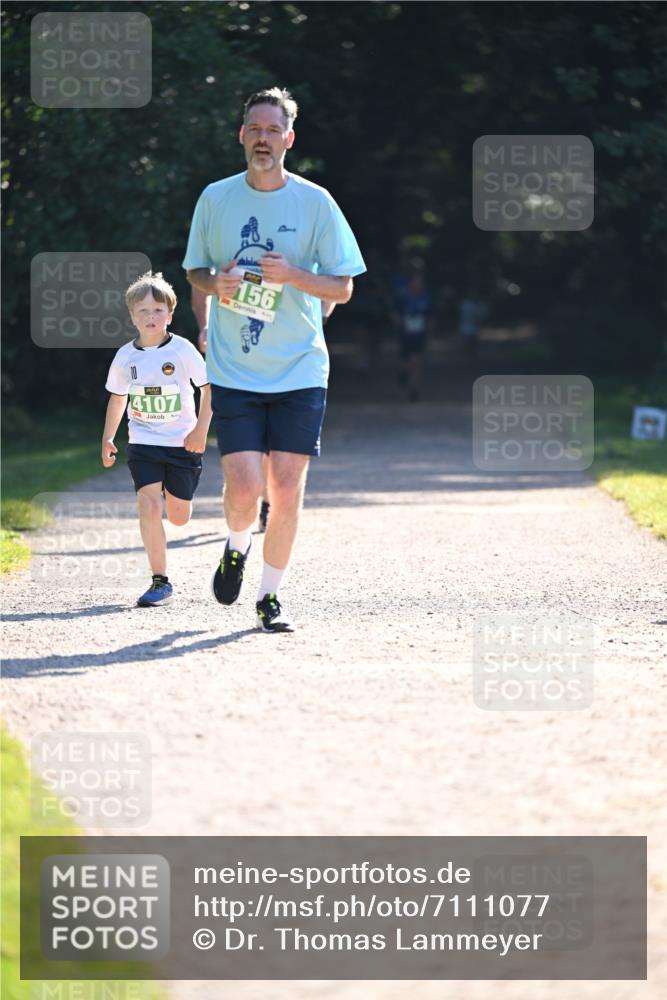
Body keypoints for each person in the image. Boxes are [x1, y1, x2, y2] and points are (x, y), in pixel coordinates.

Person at [183, 86, 365, 632]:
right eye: (254, 129)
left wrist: (293, 278)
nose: (263, 139)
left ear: (289, 139)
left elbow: (343, 287)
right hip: (236, 369)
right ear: (242, 136)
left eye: (273, 130)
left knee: (285, 487)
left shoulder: (316, 202)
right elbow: (195, 271)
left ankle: (269, 598)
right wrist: (217, 284)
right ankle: (236, 545)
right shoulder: (216, 199)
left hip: (300, 367)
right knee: (243, 486)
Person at [101, 271, 212, 607]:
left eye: (157, 310)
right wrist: (108, 438)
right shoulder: (125, 356)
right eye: (143, 311)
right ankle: (160, 581)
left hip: (182, 445)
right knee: (148, 505)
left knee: (179, 516)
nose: (151, 317)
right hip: (144, 445)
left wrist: (200, 431)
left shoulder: (183, 350)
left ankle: (178, 493)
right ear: (133, 317)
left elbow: (209, 391)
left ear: (170, 314)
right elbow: (118, 398)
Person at [394, 269, 432, 402]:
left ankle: (414, 389)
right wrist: (400, 322)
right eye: (416, 282)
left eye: (420, 282)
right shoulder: (403, 298)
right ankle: (403, 373)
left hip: (419, 335)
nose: (418, 285)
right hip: (405, 335)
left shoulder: (426, 298)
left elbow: (430, 317)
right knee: (406, 362)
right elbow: (395, 313)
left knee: (417, 362)